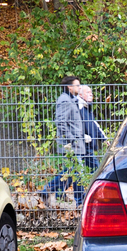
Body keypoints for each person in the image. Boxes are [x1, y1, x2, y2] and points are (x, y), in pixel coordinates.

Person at [39, 76, 86, 206]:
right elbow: (60, 122)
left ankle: (47, 190)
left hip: (74, 144)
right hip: (71, 145)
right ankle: (80, 202)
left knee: (71, 173)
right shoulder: (65, 100)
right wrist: (72, 139)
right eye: (77, 85)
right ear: (70, 87)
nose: (79, 87)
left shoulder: (71, 99)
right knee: (76, 173)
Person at [77, 85, 107, 172]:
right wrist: (83, 136)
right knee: (97, 171)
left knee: (75, 173)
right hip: (80, 145)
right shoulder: (78, 107)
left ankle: (52, 186)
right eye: (88, 92)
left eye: (91, 92)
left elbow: (94, 124)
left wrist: (104, 139)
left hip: (87, 146)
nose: (91, 94)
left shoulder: (87, 107)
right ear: (81, 94)